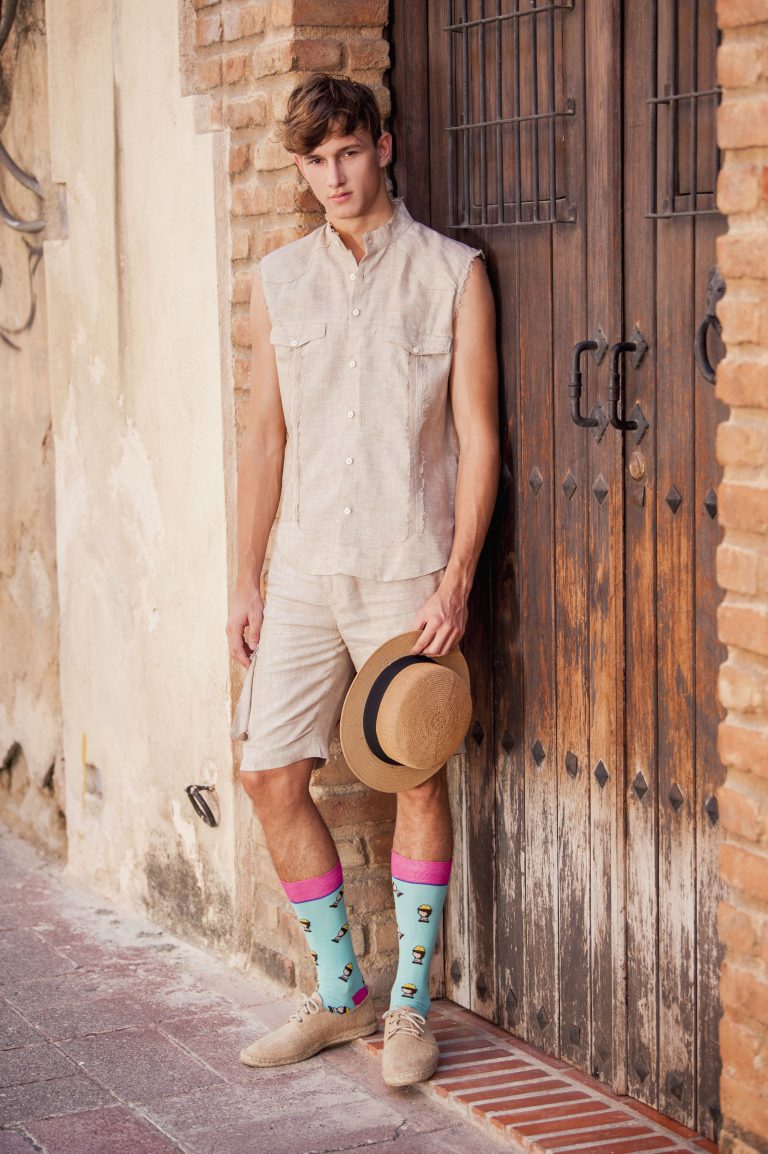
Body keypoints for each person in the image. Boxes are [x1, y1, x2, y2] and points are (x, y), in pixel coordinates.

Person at [225, 72, 499, 1088]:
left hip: (406, 566)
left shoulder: (452, 273)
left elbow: (479, 436)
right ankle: (340, 994)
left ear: (382, 146)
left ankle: (409, 1006)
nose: (334, 176)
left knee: (415, 773)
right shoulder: (279, 279)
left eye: (348, 151)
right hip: (302, 567)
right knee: (268, 773)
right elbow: (264, 438)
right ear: (300, 170)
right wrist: (245, 578)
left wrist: (457, 576)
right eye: (315, 161)